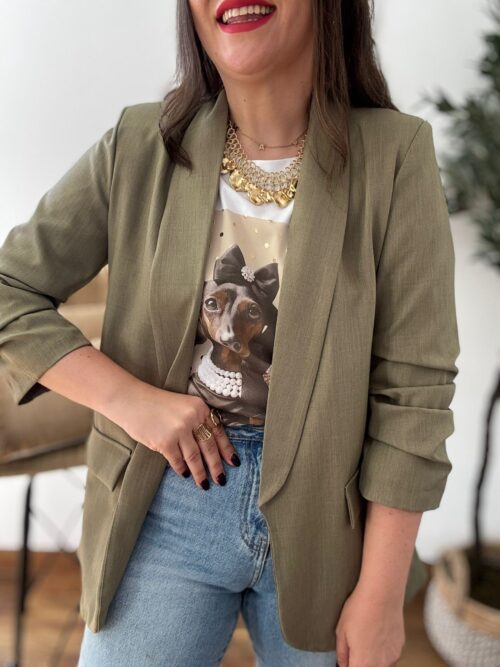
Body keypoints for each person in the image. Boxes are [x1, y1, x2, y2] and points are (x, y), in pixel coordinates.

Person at [0, 0, 460, 665]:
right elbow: (10, 289)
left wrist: (383, 593)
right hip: (162, 506)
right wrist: (132, 401)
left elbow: (414, 391)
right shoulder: (138, 145)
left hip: (331, 523)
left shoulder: (396, 155)